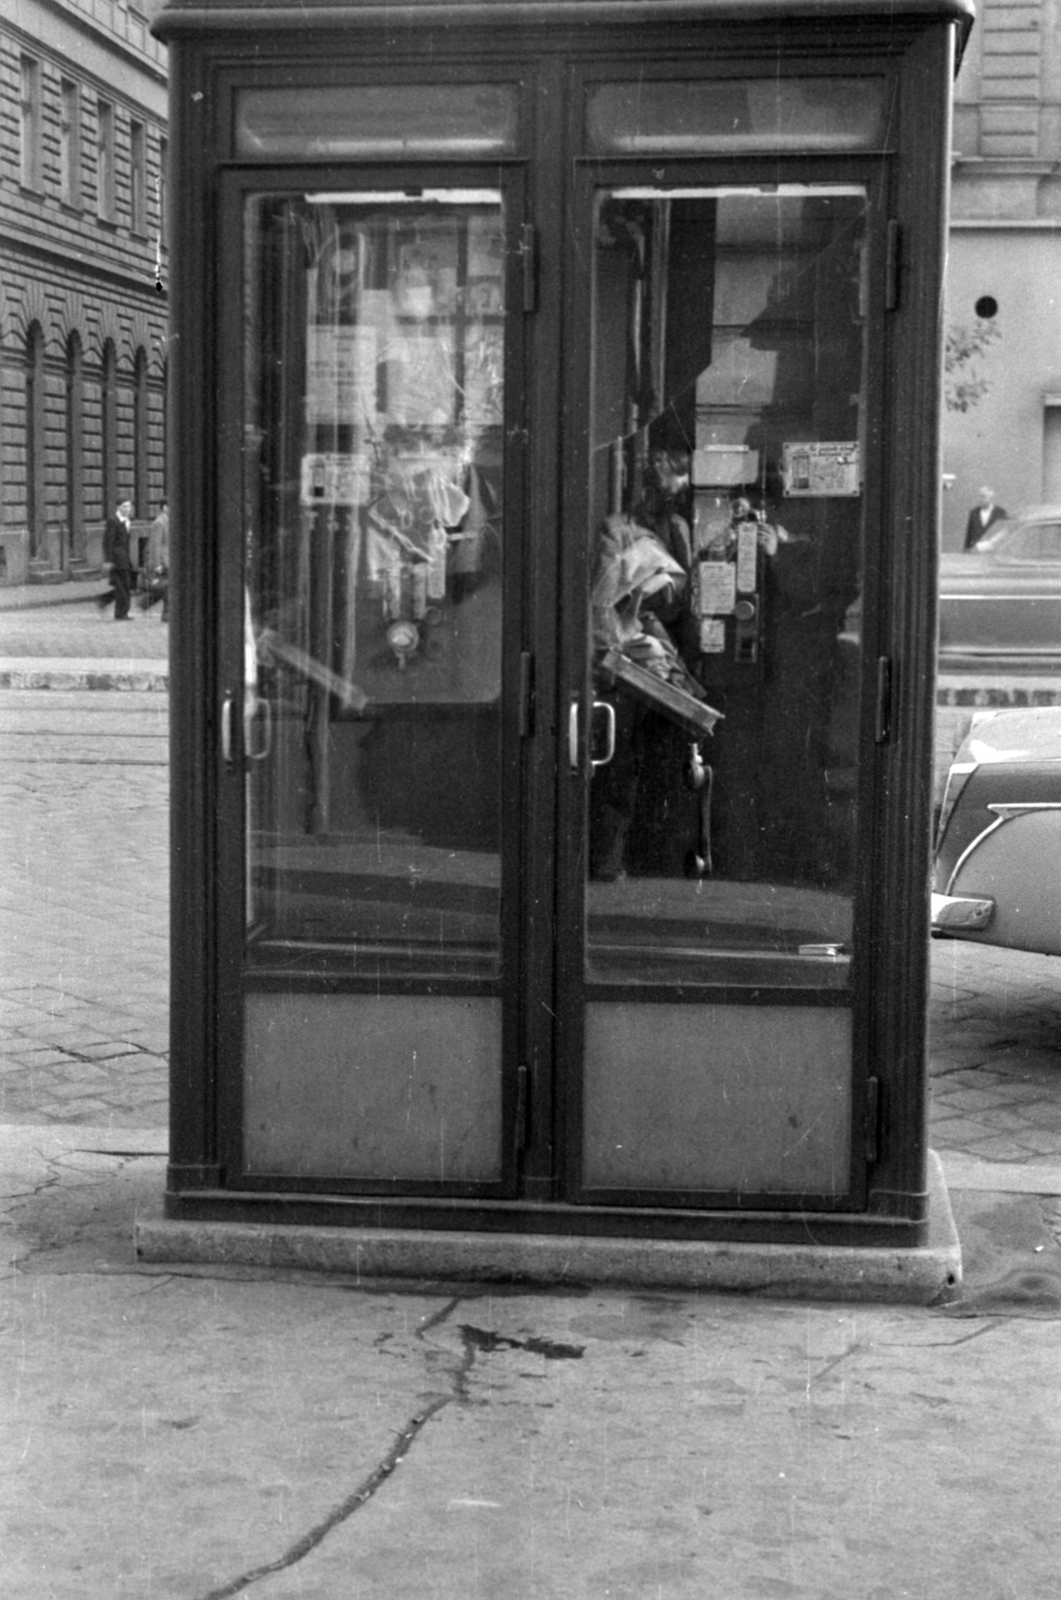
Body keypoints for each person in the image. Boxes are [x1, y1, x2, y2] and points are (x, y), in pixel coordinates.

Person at [97, 497, 135, 620]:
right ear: (118, 507)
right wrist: (108, 560)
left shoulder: (127, 521)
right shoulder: (113, 521)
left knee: (124, 585)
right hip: (117, 559)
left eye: (129, 506)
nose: (127, 509)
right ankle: (121, 613)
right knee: (123, 586)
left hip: (125, 558)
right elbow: (108, 541)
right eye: (124, 506)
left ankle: (105, 600)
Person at [140, 499, 170, 621]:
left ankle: (146, 603)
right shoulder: (159, 522)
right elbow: (155, 544)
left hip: (169, 559)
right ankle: (166, 614)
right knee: (168, 587)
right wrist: (156, 564)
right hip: (163, 560)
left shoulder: (169, 521)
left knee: (167, 587)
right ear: (164, 507)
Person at [964, 485, 1008, 549]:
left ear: (991, 498)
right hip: (975, 551)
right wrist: (966, 549)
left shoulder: (1000, 512)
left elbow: (1005, 532)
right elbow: (969, 535)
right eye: (979, 496)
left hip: (994, 551)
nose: (980, 499)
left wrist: (992, 543)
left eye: (983, 496)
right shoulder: (973, 513)